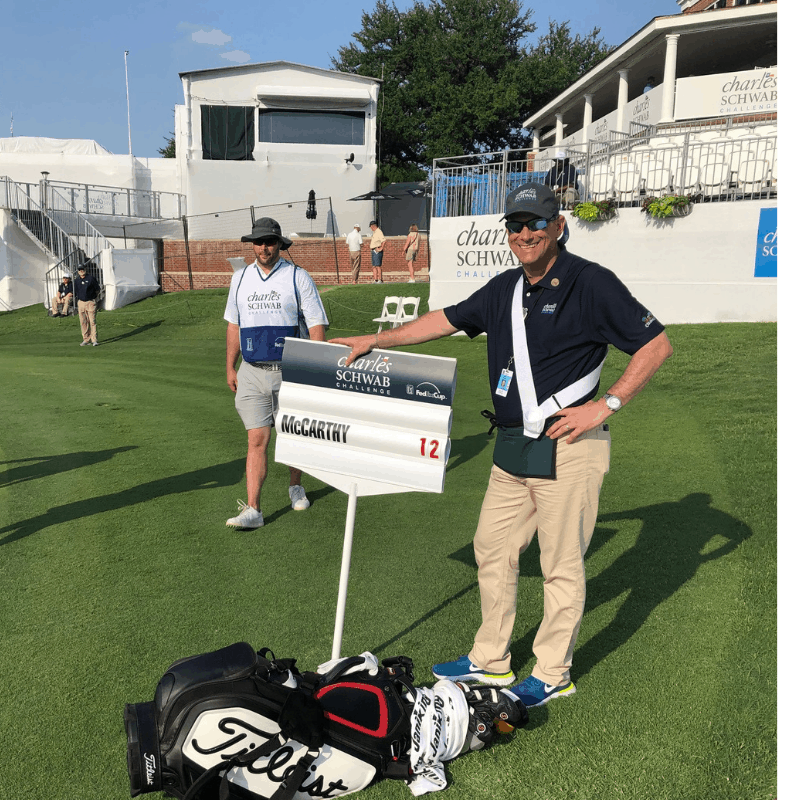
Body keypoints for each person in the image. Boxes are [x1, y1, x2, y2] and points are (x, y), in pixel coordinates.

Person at [331, 182, 672, 708]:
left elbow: (655, 344)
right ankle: (490, 661)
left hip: (569, 445)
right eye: (516, 225)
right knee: (492, 549)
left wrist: (607, 405)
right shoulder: (503, 288)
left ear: (558, 226)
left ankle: (554, 672)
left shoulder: (591, 282)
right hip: (512, 446)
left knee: (561, 565)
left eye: (536, 223)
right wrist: (375, 339)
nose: (525, 233)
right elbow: (441, 321)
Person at [224, 217, 329, 530]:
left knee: (293, 432)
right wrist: (230, 364)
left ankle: (295, 485)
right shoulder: (240, 278)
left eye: (269, 241)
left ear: (280, 244)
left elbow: (316, 324)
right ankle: (254, 509)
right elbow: (233, 324)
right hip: (252, 370)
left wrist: (315, 366)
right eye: (258, 242)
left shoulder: (298, 277)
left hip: (291, 369)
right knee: (257, 438)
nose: (263, 247)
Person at [75, 262, 101, 346]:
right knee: (83, 322)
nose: (81, 271)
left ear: (85, 269)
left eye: (82, 269)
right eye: (80, 269)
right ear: (78, 271)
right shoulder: (77, 280)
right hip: (81, 302)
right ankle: (86, 339)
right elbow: (76, 291)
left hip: (90, 302)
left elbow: (97, 289)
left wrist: (94, 299)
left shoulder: (91, 278)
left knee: (92, 321)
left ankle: (94, 340)